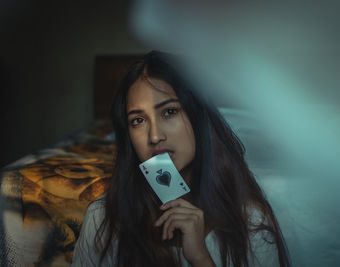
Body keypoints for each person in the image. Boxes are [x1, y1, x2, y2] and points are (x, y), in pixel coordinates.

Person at [71, 51, 291, 267]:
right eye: (138, 120)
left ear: (198, 117)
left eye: (169, 112)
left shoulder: (251, 223)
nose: (155, 136)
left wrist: (201, 259)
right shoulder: (102, 220)